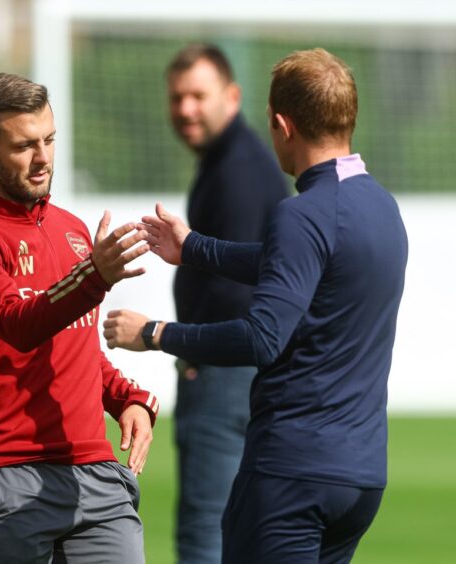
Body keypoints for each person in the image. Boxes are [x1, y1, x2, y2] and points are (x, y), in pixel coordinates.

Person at [104, 48, 409, 564]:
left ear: (280, 124)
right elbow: (290, 262)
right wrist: (195, 247)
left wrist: (154, 333)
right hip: (360, 477)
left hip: (291, 473)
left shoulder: (302, 213)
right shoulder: (381, 206)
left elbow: (261, 337)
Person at [0, 72, 160, 564]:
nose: (42, 158)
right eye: (24, 146)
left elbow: (75, 346)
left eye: (49, 140)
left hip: (93, 473)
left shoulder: (72, 230)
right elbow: (19, 324)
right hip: (6, 473)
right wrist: (94, 277)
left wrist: (126, 399)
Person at [165, 43, 290, 564]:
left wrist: (194, 353)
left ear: (233, 97)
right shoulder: (230, 160)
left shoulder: (236, 167)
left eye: (198, 95)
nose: (186, 109)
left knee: (204, 529)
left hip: (224, 371)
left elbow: (237, 288)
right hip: (240, 371)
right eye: (176, 98)